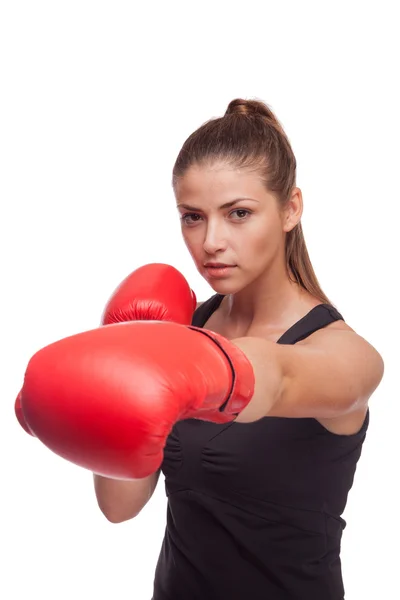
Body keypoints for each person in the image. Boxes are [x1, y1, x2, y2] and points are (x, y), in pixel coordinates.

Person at [17, 98, 384, 599]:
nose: (211, 241)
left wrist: (182, 363)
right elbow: (119, 508)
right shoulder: (180, 326)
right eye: (193, 217)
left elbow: (280, 377)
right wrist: (113, 383)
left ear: (290, 209)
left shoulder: (346, 356)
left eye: (238, 213)